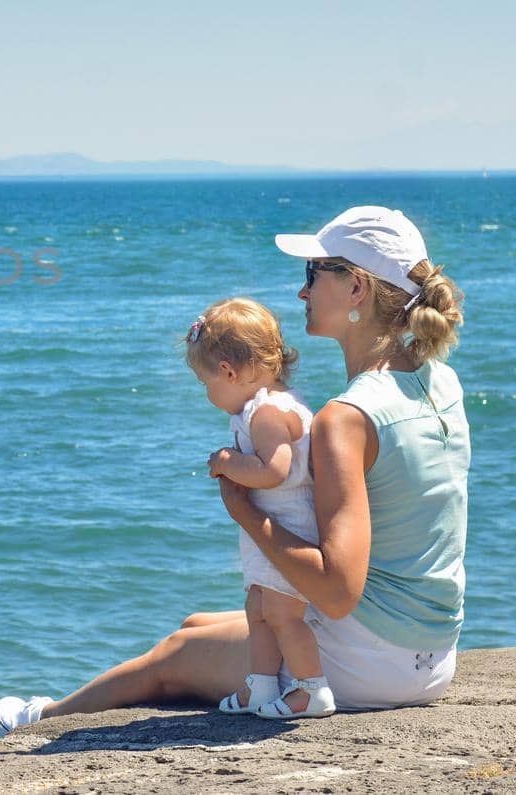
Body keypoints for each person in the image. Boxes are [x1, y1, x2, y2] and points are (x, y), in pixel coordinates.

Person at [0, 206, 467, 734]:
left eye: (313, 274)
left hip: (368, 665)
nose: (302, 292)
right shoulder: (439, 380)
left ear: (357, 288)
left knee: (177, 652)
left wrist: (244, 510)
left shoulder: (346, 419)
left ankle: (40, 719)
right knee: (197, 624)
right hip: (430, 654)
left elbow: (337, 590)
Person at [188, 299, 334, 718]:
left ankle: (312, 690)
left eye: (205, 382)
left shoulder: (267, 413)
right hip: (272, 527)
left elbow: (274, 470)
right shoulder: (270, 403)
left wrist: (226, 462)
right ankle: (263, 685)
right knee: (258, 609)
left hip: (288, 526)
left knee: (284, 615)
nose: (207, 392)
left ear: (229, 371)